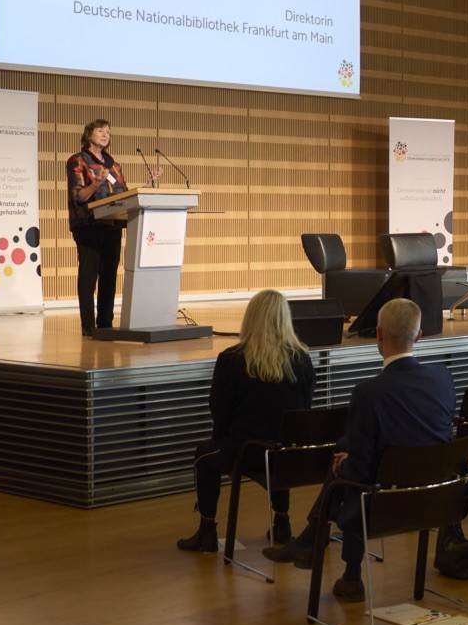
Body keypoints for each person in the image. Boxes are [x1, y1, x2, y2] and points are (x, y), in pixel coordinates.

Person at [263, 299, 456, 602]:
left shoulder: (369, 393)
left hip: (381, 507)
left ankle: (338, 563)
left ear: (378, 335)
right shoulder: (443, 379)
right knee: (351, 452)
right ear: (418, 337)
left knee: (349, 470)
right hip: (436, 500)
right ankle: (317, 547)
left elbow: (360, 471)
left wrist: (347, 462)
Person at [177, 289, 315, 553]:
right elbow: (303, 411)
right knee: (280, 443)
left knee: (203, 456)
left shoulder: (232, 360)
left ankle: (207, 531)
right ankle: (282, 523)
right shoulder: (303, 361)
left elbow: (219, 411)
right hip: (289, 457)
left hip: (245, 453)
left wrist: (221, 442)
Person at [65, 119, 158, 337]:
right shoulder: (77, 161)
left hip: (112, 224)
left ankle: (105, 324)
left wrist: (147, 186)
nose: (106, 134)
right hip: (89, 224)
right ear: (89, 135)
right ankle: (88, 326)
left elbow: (124, 195)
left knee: (109, 274)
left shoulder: (112, 164)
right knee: (89, 276)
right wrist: (96, 183)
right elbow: (78, 195)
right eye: (101, 131)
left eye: (108, 131)